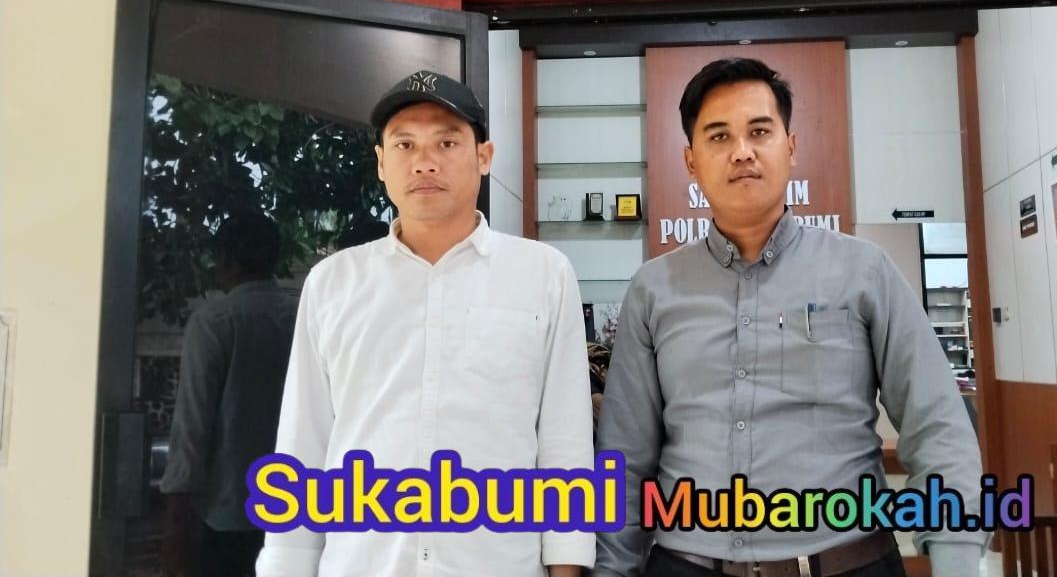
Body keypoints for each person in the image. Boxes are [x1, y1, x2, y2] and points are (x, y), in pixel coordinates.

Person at [594, 58, 987, 577]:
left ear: (791, 146)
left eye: (760, 131)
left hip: (848, 564)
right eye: (719, 136)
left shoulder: (864, 272)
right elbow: (624, 460)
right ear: (691, 161)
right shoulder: (653, 290)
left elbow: (936, 424)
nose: (742, 151)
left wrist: (956, 559)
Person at [255, 70, 595, 577]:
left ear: (484, 156)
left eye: (447, 142)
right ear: (381, 163)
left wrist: (566, 566)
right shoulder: (333, 283)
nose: (424, 162)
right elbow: (303, 442)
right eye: (405, 144)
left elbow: (565, 440)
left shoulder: (543, 275)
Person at [160, 212, 300, 577]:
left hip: (229, 514)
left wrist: (176, 521)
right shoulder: (304, 316)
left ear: (230, 261)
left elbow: (192, 425)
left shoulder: (213, 323)